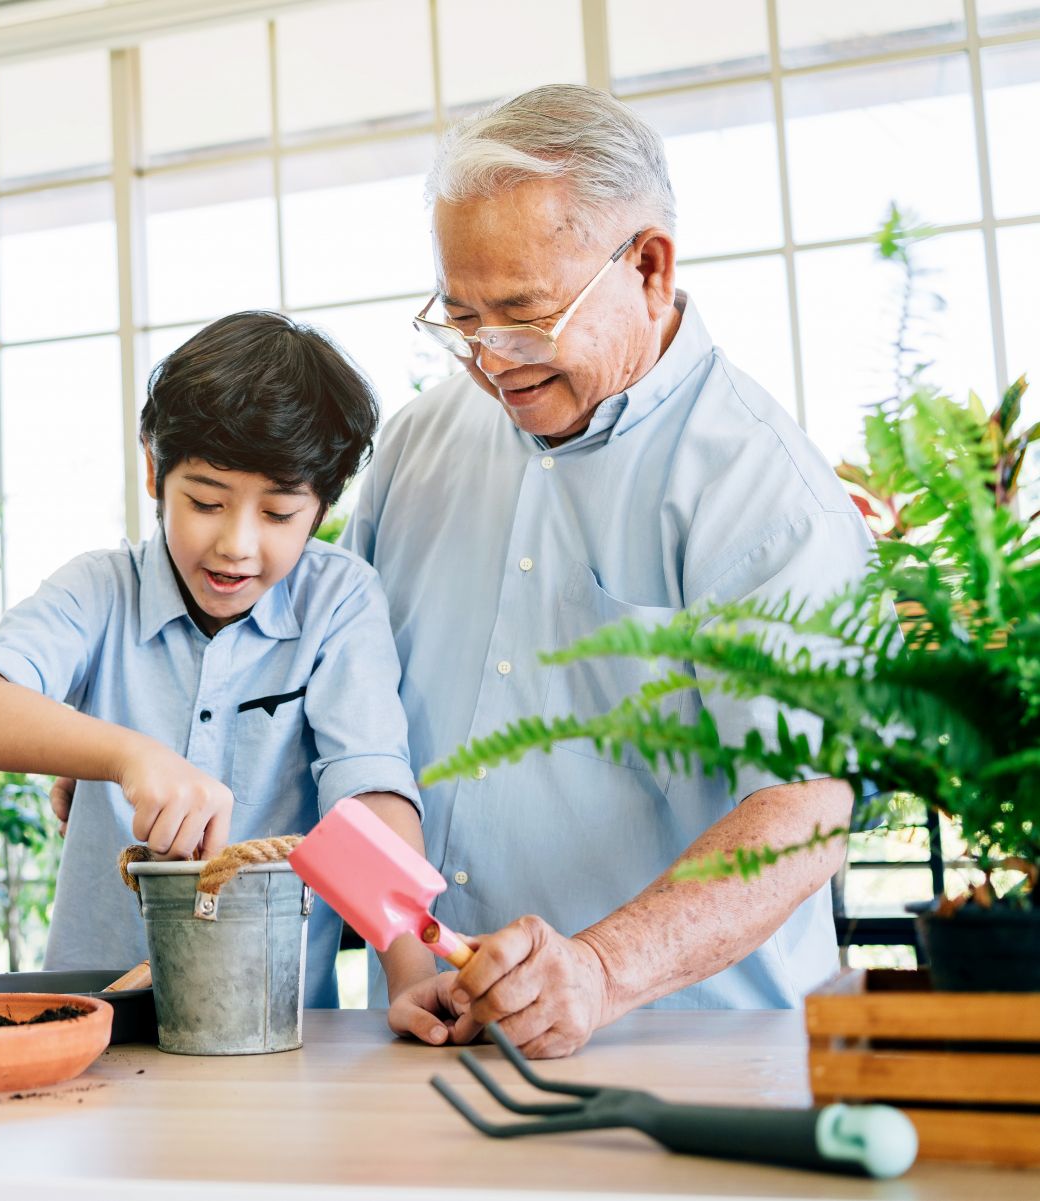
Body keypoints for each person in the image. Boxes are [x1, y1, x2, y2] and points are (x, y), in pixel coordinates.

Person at [345, 84, 874, 1057]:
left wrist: (600, 966)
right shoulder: (418, 445)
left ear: (650, 267)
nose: (489, 358)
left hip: (701, 1051)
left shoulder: (766, 491)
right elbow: (348, 714)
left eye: (522, 314)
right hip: (438, 1047)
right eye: (460, 319)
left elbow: (807, 806)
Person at [0, 311, 426, 1006]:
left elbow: (368, 793)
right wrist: (127, 754)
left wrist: (412, 976)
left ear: (322, 506)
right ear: (152, 467)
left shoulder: (339, 601)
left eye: (279, 514)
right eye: (205, 501)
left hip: (272, 1023)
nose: (236, 544)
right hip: (95, 1022)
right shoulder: (101, 590)